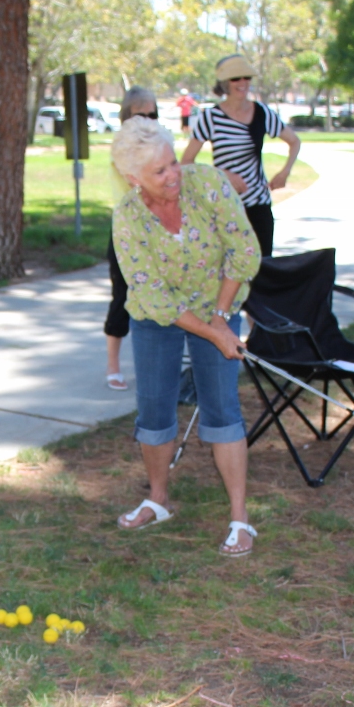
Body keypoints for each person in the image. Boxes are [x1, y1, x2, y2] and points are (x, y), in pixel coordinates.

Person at [110, 117, 262, 556]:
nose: (173, 174)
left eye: (173, 162)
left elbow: (244, 249)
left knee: (222, 408)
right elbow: (154, 295)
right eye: (159, 171)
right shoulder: (128, 218)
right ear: (133, 178)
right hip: (159, 317)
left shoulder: (209, 185)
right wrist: (210, 331)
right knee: (155, 409)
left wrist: (219, 318)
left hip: (218, 302)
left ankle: (240, 518)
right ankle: (158, 500)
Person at [182, 54, 301, 257]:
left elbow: (294, 141)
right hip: (225, 205)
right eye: (236, 78)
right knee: (228, 271)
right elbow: (186, 163)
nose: (243, 83)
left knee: (263, 268)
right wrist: (222, 175)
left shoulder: (263, 113)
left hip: (259, 204)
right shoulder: (211, 117)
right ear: (225, 83)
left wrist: (285, 172)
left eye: (247, 77)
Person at [104, 86, 161, 390]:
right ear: (128, 116)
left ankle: (155, 365)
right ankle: (113, 366)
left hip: (158, 231)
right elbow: (138, 187)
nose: (149, 120)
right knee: (122, 298)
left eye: (153, 114)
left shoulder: (161, 145)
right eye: (142, 114)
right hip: (126, 232)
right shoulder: (121, 149)